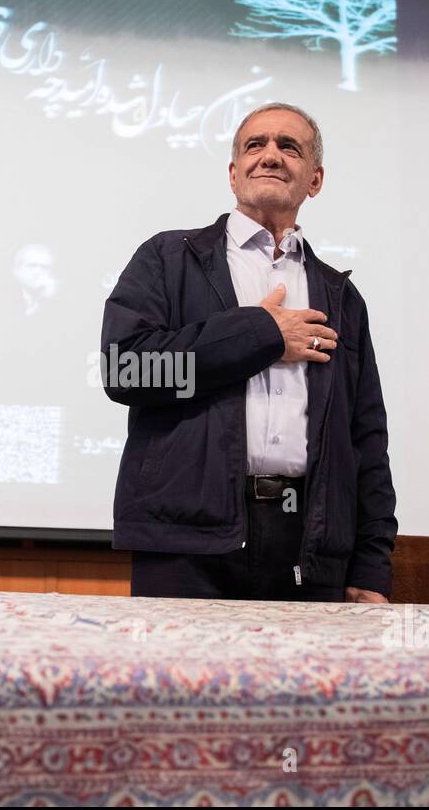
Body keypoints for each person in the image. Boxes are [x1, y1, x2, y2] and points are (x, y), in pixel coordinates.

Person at [101, 102, 397, 603]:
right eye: (255, 145)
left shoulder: (342, 298)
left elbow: (366, 441)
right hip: (186, 546)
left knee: (306, 686)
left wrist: (370, 565)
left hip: (310, 547)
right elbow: (127, 369)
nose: (271, 156)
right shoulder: (168, 258)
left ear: (315, 179)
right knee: (181, 684)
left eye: (290, 147)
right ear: (234, 174)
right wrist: (260, 334)